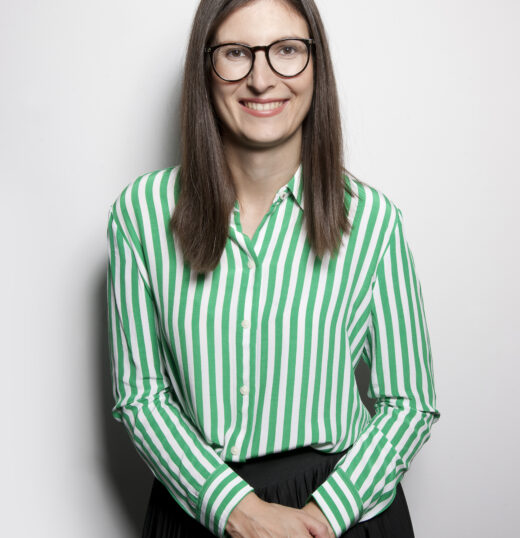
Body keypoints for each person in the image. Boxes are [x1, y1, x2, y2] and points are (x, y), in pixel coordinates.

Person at [106, 0, 441, 536]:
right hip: (198, 506)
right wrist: (237, 511)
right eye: (236, 53)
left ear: (315, 65)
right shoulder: (142, 213)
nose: (261, 79)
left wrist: (323, 518)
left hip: (343, 507)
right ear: (204, 68)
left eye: (286, 50)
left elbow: (410, 403)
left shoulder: (373, 221)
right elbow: (141, 395)